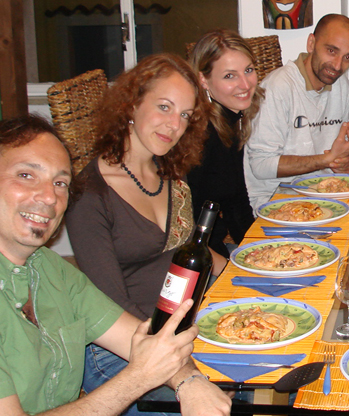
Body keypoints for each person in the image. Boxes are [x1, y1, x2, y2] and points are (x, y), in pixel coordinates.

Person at [0, 114, 230, 416]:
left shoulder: (50, 269)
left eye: (60, 183)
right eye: (26, 175)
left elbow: (138, 337)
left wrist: (189, 380)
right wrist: (137, 378)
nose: (48, 197)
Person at [65, 54, 227, 414]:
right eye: (165, 107)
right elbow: (112, 306)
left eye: (185, 115)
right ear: (131, 104)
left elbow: (188, 247)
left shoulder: (168, 176)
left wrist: (245, 276)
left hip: (177, 326)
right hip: (121, 352)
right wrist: (188, 370)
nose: (175, 125)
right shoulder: (89, 196)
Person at [245, 13, 349, 209]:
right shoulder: (277, 88)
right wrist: (327, 159)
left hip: (322, 197)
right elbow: (260, 166)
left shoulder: (341, 85)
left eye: (347, 57)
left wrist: (342, 162)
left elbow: (337, 160)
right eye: (332, 51)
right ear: (311, 44)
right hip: (275, 202)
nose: (337, 66)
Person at [188, 30, 265, 257]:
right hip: (196, 255)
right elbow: (186, 227)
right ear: (203, 80)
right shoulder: (199, 134)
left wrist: (259, 252)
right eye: (229, 76)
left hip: (215, 247)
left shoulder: (229, 120)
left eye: (248, 70)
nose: (245, 84)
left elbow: (236, 201)